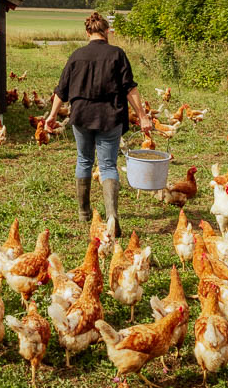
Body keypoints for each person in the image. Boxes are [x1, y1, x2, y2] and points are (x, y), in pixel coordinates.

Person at [45, 12, 151, 236]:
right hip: (109, 116)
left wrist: (52, 115)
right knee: (108, 166)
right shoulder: (117, 54)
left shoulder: (76, 56)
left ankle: (84, 213)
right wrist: (142, 115)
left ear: (87, 33)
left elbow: (61, 90)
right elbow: (130, 89)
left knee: (84, 159)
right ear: (106, 32)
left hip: (81, 116)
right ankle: (112, 215)